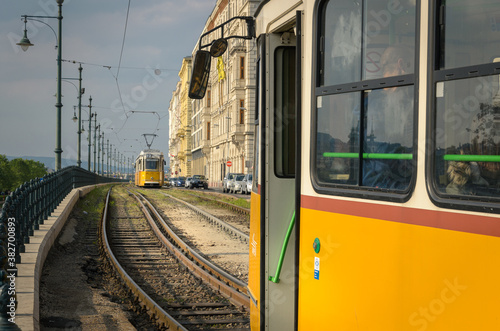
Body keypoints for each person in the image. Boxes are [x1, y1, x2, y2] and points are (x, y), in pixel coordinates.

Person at [361, 44, 415, 190]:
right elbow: (380, 150)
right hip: (381, 182)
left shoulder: (402, 99)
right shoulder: (376, 103)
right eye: (413, 66)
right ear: (401, 64)